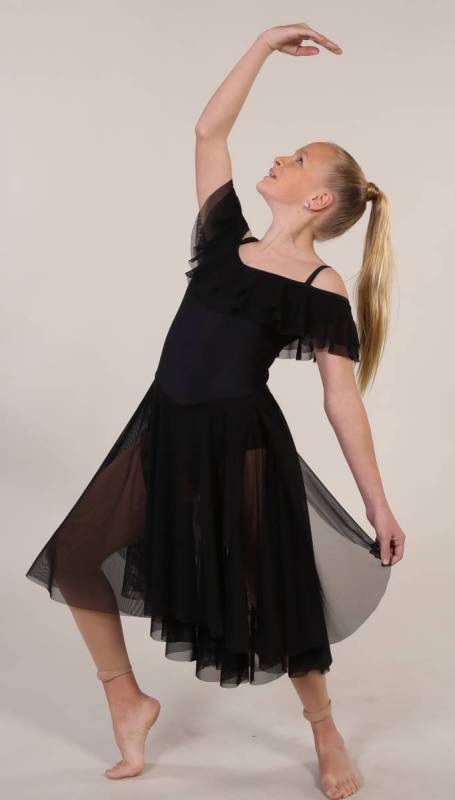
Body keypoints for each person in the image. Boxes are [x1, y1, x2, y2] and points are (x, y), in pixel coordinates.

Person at [25, 23, 406, 799]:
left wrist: (376, 503)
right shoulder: (223, 237)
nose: (280, 158)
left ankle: (324, 728)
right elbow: (209, 132)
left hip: (240, 444)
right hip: (163, 426)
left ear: (317, 199)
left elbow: (341, 400)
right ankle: (126, 701)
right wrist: (262, 46)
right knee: (76, 557)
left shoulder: (319, 287)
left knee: (272, 589)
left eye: (296, 159)